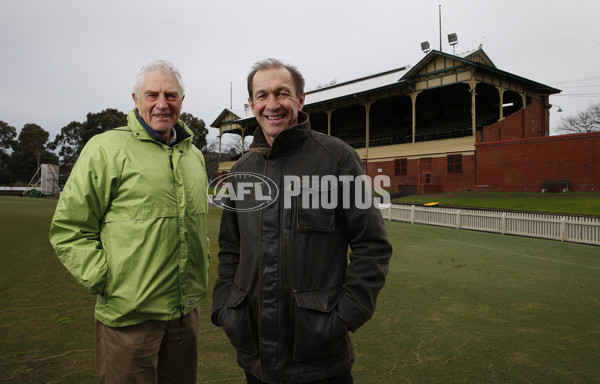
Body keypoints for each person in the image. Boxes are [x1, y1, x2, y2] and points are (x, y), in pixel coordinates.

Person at [211, 58, 393, 384]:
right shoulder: (241, 171)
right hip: (255, 357)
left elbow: (372, 244)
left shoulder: (338, 158)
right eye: (262, 95)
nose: (273, 104)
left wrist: (346, 315)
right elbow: (230, 249)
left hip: (321, 358)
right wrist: (225, 308)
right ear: (251, 104)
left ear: (300, 99)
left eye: (282, 93)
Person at [49, 59, 210, 384]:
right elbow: (69, 229)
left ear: (181, 101)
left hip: (184, 316)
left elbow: (197, 227)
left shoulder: (194, 155)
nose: (162, 104)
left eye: (171, 95)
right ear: (136, 99)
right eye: (152, 95)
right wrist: (106, 280)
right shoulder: (105, 149)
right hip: (129, 319)